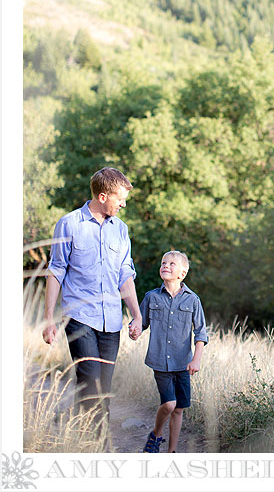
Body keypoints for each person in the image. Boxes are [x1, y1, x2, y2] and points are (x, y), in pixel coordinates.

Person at [44, 167, 142, 436]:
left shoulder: (121, 230)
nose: (123, 204)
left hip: (111, 321)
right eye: (119, 199)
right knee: (90, 380)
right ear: (102, 196)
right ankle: (92, 443)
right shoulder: (69, 224)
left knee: (104, 389)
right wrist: (49, 319)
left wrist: (136, 314)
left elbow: (125, 274)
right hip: (79, 317)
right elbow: (56, 270)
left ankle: (86, 436)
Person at [139, 250, 208, 453]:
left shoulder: (193, 300)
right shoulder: (151, 297)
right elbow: (140, 323)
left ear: (182, 273)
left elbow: (201, 333)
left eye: (171, 264)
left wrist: (196, 360)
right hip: (160, 361)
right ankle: (156, 434)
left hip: (183, 363)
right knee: (169, 404)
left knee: (178, 409)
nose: (165, 266)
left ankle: (171, 452)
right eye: (163, 263)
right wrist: (134, 330)